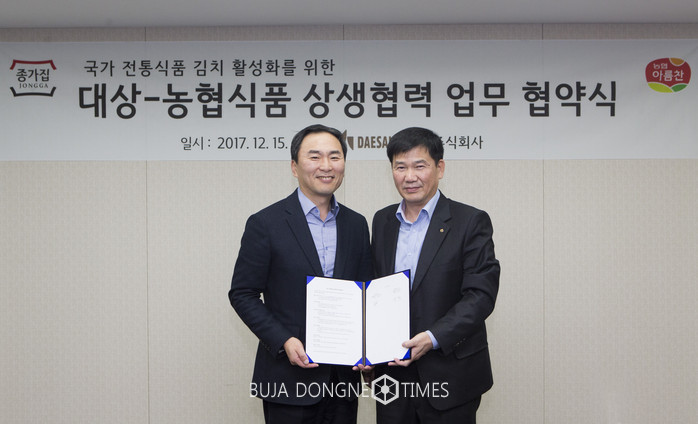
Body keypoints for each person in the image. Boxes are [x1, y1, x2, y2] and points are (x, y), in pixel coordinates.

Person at [229, 124, 373, 424]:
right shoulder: (266, 223)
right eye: (315, 156)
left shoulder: (357, 224)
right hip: (288, 377)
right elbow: (243, 293)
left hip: (342, 379)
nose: (326, 166)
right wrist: (283, 340)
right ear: (295, 167)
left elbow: (365, 294)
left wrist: (369, 349)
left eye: (335, 157)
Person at [369, 127, 500, 424]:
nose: (409, 176)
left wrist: (432, 337)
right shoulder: (382, 221)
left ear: (439, 168)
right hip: (393, 375)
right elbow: (375, 289)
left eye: (420, 166)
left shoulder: (470, 221)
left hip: (450, 373)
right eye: (400, 167)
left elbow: (481, 295)